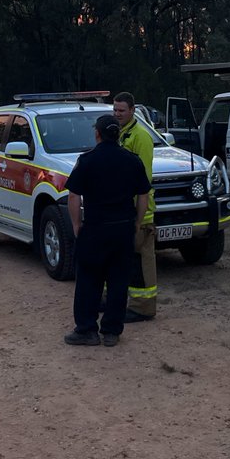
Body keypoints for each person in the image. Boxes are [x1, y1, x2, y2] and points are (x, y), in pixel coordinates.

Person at [64, 113, 151, 348]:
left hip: (95, 229)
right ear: (118, 134)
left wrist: (76, 224)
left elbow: (73, 195)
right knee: (118, 282)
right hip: (123, 230)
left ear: (97, 134)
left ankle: (86, 330)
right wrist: (136, 222)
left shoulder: (87, 160)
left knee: (88, 281)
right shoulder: (132, 160)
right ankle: (112, 332)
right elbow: (143, 195)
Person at [112, 91, 157, 321]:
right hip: (121, 209)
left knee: (141, 261)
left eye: (121, 110)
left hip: (141, 211)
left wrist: (140, 216)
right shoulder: (118, 133)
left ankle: (143, 308)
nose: (117, 114)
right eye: (115, 110)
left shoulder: (140, 136)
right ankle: (118, 301)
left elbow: (143, 180)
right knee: (121, 260)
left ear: (132, 111)